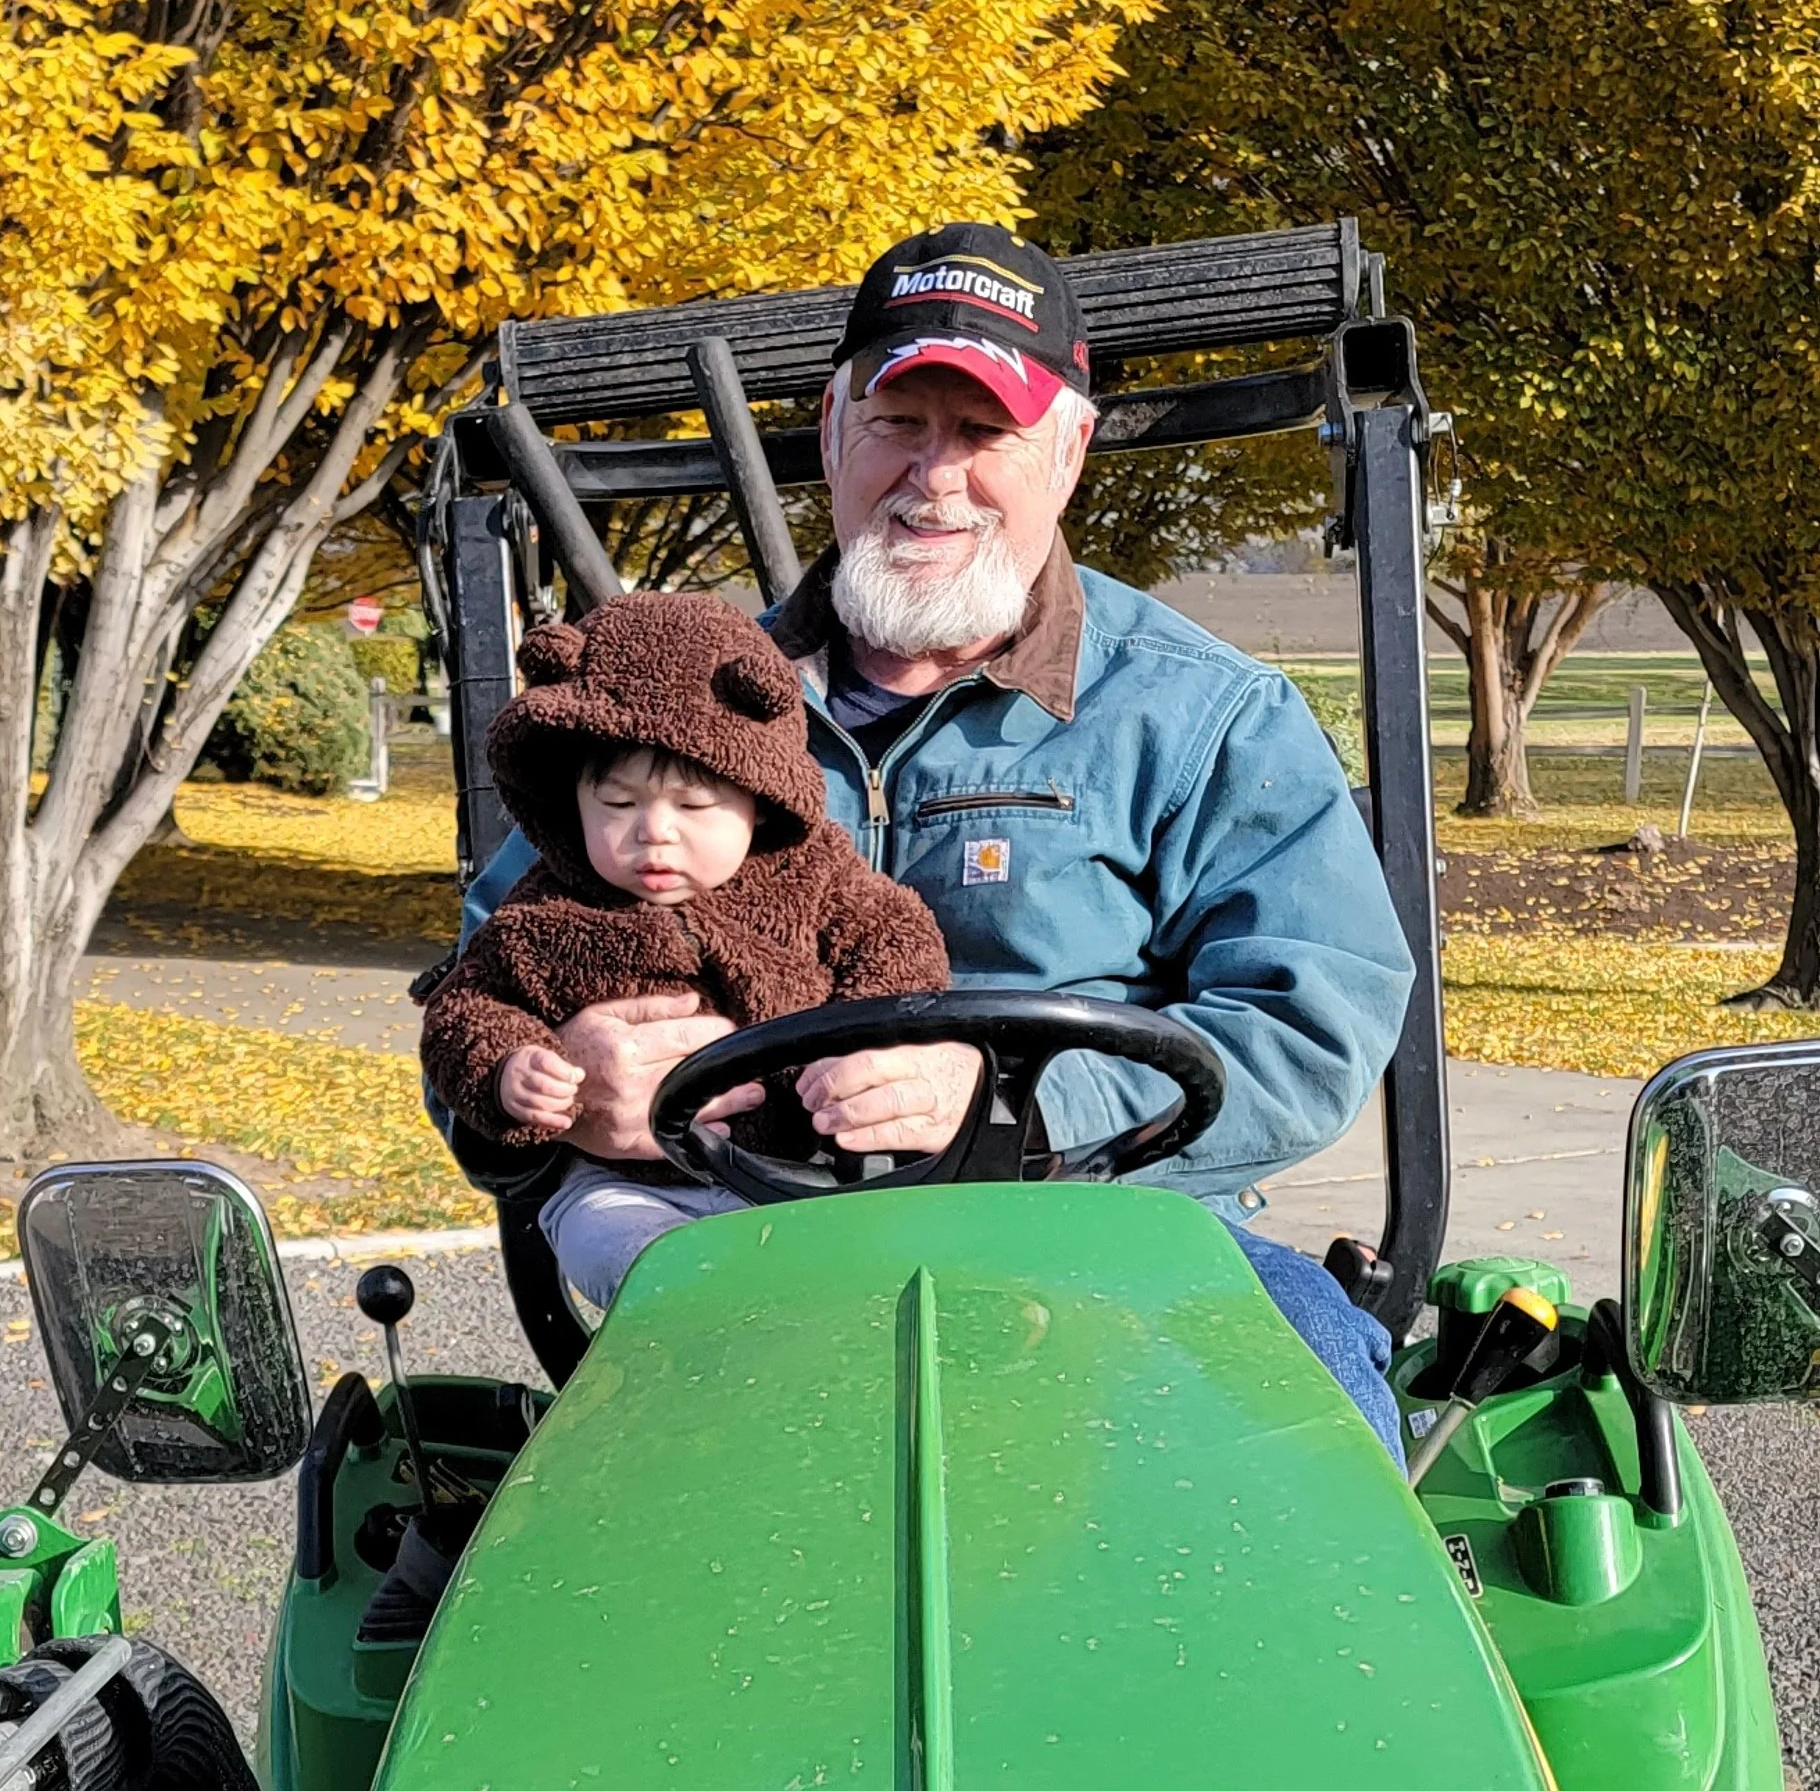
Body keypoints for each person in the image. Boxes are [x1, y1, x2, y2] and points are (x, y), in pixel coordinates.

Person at [435, 217, 1415, 1457]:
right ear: (836, 431)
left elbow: (1311, 1020)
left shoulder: (1200, 715)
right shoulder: (671, 697)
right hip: (733, 1245)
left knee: (1321, 1449)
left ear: (1066, 451)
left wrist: (1023, 1107)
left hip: (1110, 1240)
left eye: (982, 432)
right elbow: (481, 983)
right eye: (899, 424)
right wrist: (557, 1086)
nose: (932, 474)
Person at [418, 589, 948, 1323]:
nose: (653, 834)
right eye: (618, 805)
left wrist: (875, 1035)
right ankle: (704, 1311)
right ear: (572, 802)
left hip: (804, 1173)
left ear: (759, 798)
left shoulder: (814, 876)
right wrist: (512, 1073)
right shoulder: (542, 910)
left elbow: (897, 937)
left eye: (694, 808)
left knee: (883, 1264)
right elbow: (465, 1009)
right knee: (626, 1249)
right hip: (625, 1182)